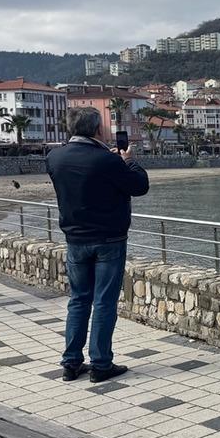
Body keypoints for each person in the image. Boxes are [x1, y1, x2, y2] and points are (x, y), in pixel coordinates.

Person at [47, 107, 149, 383]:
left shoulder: (54, 157)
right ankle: (101, 364)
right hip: (109, 240)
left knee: (78, 300)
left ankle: (71, 363)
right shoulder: (107, 160)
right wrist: (129, 161)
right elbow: (139, 186)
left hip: (75, 239)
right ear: (96, 130)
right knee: (104, 302)